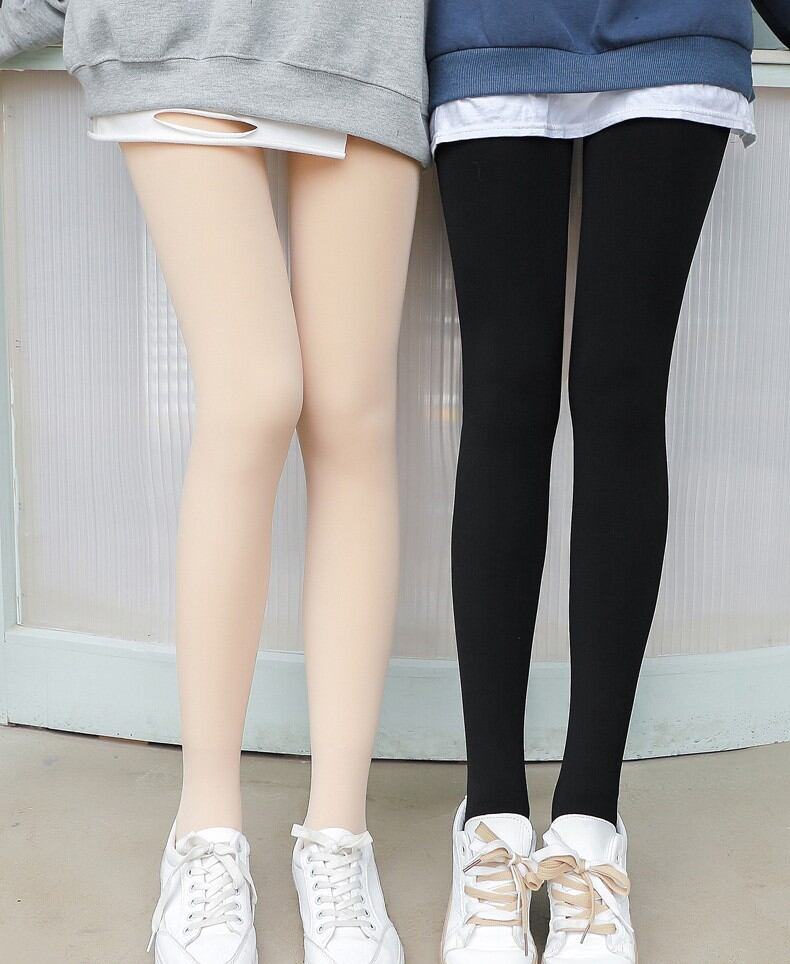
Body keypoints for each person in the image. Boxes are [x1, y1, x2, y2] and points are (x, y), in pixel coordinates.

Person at [0, 2, 429, 962]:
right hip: (177, 33)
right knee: (254, 396)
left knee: (352, 417)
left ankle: (338, 833)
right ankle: (206, 831)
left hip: (363, 36)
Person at [426, 2, 790, 962]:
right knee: (505, 395)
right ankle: (492, 816)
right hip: (492, 31)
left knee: (623, 393)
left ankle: (590, 818)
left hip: (673, 28)